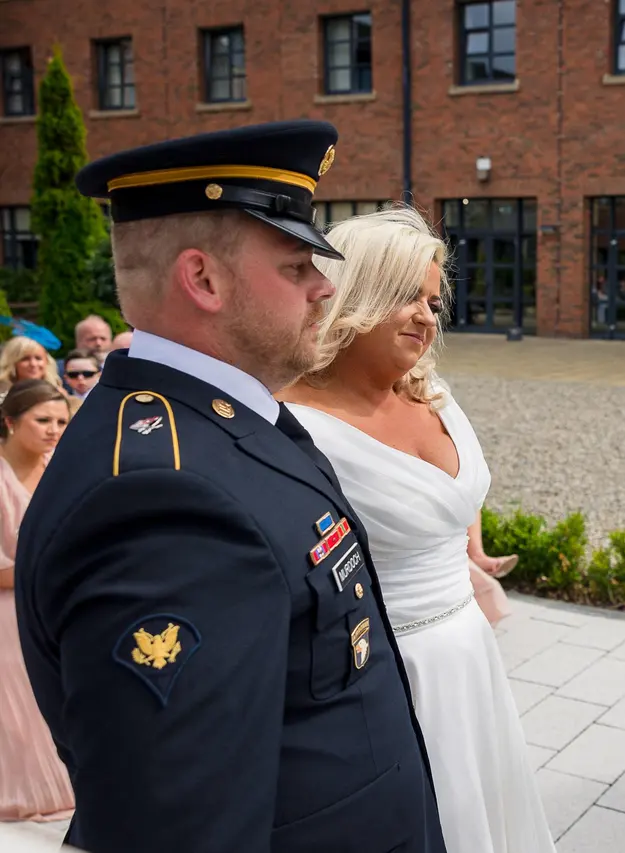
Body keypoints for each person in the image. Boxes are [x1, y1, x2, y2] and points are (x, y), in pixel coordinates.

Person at [14, 121, 445, 853]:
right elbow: (184, 829)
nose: (324, 287)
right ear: (202, 279)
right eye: (295, 265)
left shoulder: (223, 422)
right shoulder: (160, 504)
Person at [279, 205, 557, 853]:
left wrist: (473, 551)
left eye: (434, 301)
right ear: (356, 293)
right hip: (390, 667)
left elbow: (457, 500)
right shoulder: (292, 423)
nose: (428, 316)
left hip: (471, 652)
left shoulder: (434, 392)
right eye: (408, 295)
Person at [0, 380, 74, 823]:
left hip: (60, 607)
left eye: (61, 422)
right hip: (11, 612)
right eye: (42, 420)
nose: (53, 430)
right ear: (9, 422)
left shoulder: (63, 469)